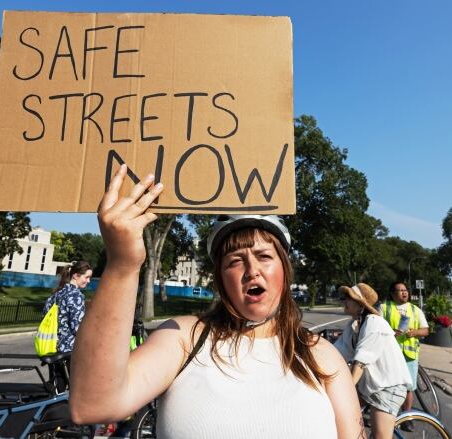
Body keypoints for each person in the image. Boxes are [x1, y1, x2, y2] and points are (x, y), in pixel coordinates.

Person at [70, 166, 363, 439]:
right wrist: (122, 265)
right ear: (221, 280)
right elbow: (93, 404)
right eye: (235, 261)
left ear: (284, 271)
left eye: (264, 257)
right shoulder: (184, 338)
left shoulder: (320, 355)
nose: (252, 271)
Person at [333, 283, 412, 439]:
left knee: (380, 436)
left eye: (348, 298)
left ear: (361, 304)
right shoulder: (354, 325)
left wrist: (345, 389)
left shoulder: (374, 323)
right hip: (370, 386)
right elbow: (336, 353)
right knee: (341, 416)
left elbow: (360, 362)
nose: (344, 300)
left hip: (388, 387)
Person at [380, 281, 429, 421]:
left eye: (405, 289)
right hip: (389, 354)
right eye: (400, 290)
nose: (404, 292)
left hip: (409, 355)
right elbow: (375, 327)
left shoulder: (415, 310)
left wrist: (415, 333)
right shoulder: (384, 308)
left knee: (408, 388)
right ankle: (387, 416)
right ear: (392, 293)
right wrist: (390, 333)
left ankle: (406, 417)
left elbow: (425, 330)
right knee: (387, 385)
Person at [43, 261, 93, 354]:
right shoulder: (76, 296)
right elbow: (77, 328)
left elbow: (44, 316)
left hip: (51, 346)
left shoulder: (56, 294)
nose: (88, 281)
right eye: (86, 277)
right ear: (76, 276)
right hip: (69, 348)